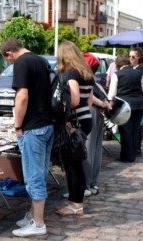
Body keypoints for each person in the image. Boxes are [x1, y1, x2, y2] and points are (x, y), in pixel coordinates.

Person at [0, 37, 54, 237]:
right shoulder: (40, 60)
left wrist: (17, 125)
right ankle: (33, 215)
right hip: (47, 125)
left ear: (9, 53)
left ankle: (38, 224)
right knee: (39, 173)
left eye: (8, 60)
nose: (10, 63)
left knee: (33, 177)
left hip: (34, 127)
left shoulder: (21, 62)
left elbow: (22, 97)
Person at [55, 41, 94, 216]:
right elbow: (90, 101)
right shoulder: (86, 73)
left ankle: (76, 204)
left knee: (73, 164)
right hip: (86, 118)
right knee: (76, 161)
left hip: (75, 121)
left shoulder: (72, 72)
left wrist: (60, 107)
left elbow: (75, 100)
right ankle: (75, 202)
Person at [108, 54, 143, 163]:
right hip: (139, 104)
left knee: (125, 130)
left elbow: (112, 92)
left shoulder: (117, 74)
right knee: (135, 129)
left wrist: (110, 105)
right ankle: (133, 153)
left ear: (118, 64)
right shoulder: (139, 73)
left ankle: (127, 156)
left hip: (125, 105)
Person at [82, 52, 111, 196]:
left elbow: (89, 96)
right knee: (96, 149)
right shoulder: (95, 80)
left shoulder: (86, 79)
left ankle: (86, 186)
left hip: (90, 112)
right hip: (98, 113)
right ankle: (93, 183)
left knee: (88, 149)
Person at [129, 47, 143, 156]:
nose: (130, 58)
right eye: (129, 56)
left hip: (138, 99)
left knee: (137, 126)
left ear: (139, 57)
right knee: (133, 126)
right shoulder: (132, 68)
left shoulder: (141, 69)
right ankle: (133, 147)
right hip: (134, 99)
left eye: (133, 57)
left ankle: (137, 148)